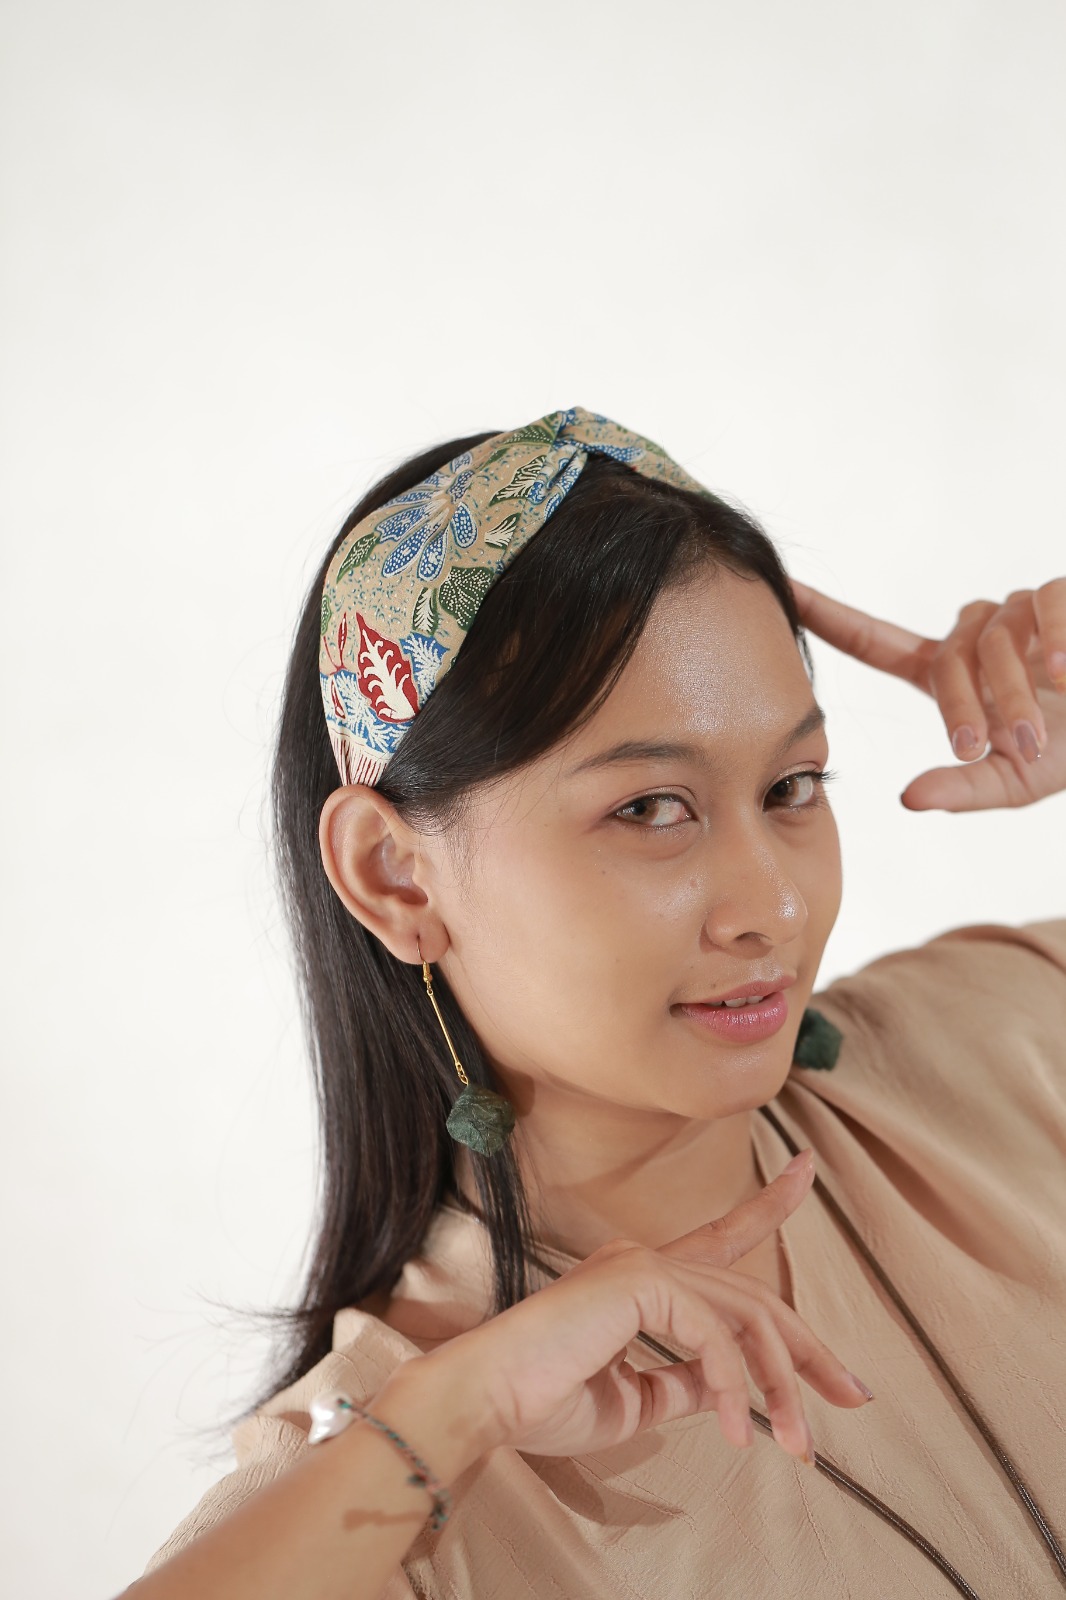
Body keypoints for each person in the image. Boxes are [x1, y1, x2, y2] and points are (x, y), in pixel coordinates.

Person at [125, 408, 1066, 1599]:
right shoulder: (393, 1480)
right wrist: (458, 1412)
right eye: (649, 808)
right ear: (394, 875)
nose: (772, 905)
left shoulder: (1010, 1031)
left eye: (791, 785)